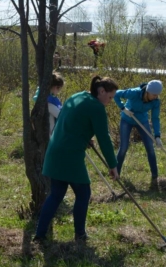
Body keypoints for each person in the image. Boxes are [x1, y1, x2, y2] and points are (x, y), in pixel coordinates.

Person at [34, 75, 120, 244]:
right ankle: (80, 235)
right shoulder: (97, 107)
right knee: (83, 193)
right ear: (101, 91)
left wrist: (84, 136)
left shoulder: (77, 96)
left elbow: (70, 121)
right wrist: (113, 165)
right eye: (110, 97)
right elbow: (104, 138)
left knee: (56, 194)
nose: (110, 101)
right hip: (70, 155)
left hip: (55, 150)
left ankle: (40, 234)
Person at [114, 80, 163, 189]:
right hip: (127, 119)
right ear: (148, 92)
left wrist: (157, 136)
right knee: (123, 147)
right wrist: (123, 108)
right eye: (154, 94)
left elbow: (155, 118)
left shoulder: (155, 102)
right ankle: (116, 174)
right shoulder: (134, 93)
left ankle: (155, 177)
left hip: (142, 120)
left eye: (157, 95)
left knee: (150, 148)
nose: (156, 97)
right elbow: (116, 94)